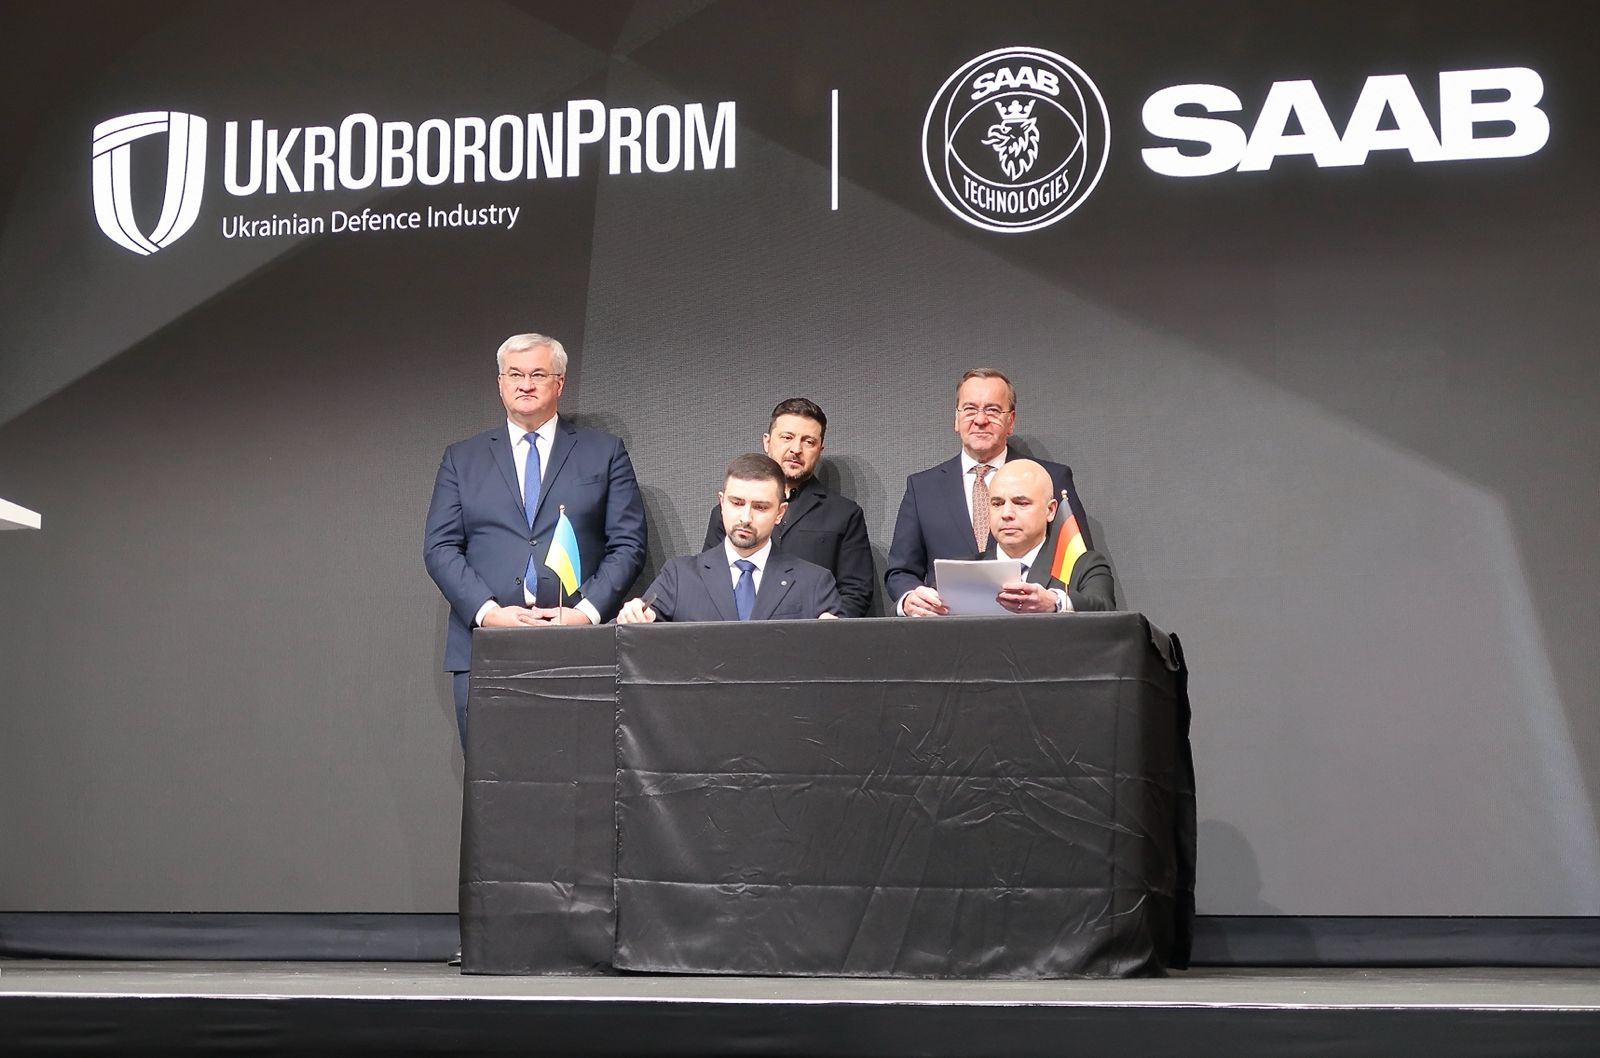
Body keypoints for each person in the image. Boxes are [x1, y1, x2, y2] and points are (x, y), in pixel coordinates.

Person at [424, 333, 646, 739]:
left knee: (578, 768)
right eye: (515, 374)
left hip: (578, 646)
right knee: (492, 773)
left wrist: (584, 614)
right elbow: (440, 548)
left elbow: (628, 544)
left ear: (559, 383)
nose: (525, 384)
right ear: (500, 384)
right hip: (486, 645)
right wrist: (488, 613)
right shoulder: (461, 459)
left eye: (538, 374)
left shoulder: (604, 452)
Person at [885, 368, 1094, 618]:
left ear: (1011, 421)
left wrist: (1055, 601)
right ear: (956, 419)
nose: (980, 420)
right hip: (948, 630)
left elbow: (1079, 562)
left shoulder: (1052, 478)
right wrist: (910, 598)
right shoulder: (923, 488)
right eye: (970, 409)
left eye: (993, 410)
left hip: (1034, 628)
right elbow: (901, 571)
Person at [619, 453, 843, 623]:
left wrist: (836, 638)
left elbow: (843, 654)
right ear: (722, 502)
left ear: (780, 513)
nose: (746, 518)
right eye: (737, 503)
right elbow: (627, 643)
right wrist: (631, 619)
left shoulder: (814, 582)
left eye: (760, 507)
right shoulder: (679, 577)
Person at [702, 398, 874, 617]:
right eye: (787, 437)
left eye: (808, 442)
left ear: (820, 450)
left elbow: (855, 592)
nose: (796, 449)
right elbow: (709, 578)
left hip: (810, 634)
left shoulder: (844, 514)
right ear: (767, 441)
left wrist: (829, 626)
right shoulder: (729, 513)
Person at [900, 459, 1116, 616]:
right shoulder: (962, 571)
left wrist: (1055, 603)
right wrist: (909, 604)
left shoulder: (1082, 566)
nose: (1006, 514)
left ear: (1050, 510)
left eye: (1021, 503)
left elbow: (1104, 609)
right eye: (997, 503)